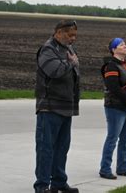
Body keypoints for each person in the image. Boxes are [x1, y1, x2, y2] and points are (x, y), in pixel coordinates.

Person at [34, 20, 80, 193]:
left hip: (66, 107)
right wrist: (71, 63)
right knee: (46, 149)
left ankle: (59, 183)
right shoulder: (48, 49)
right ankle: (42, 186)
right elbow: (54, 71)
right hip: (50, 107)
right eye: (70, 35)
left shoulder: (68, 50)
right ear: (59, 32)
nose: (73, 39)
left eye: (75, 35)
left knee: (62, 148)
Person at [99, 38, 126, 180]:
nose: (125, 46)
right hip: (115, 107)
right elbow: (113, 87)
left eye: (125, 43)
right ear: (113, 49)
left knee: (125, 140)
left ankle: (122, 167)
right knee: (112, 138)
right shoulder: (110, 66)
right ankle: (105, 169)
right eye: (121, 44)